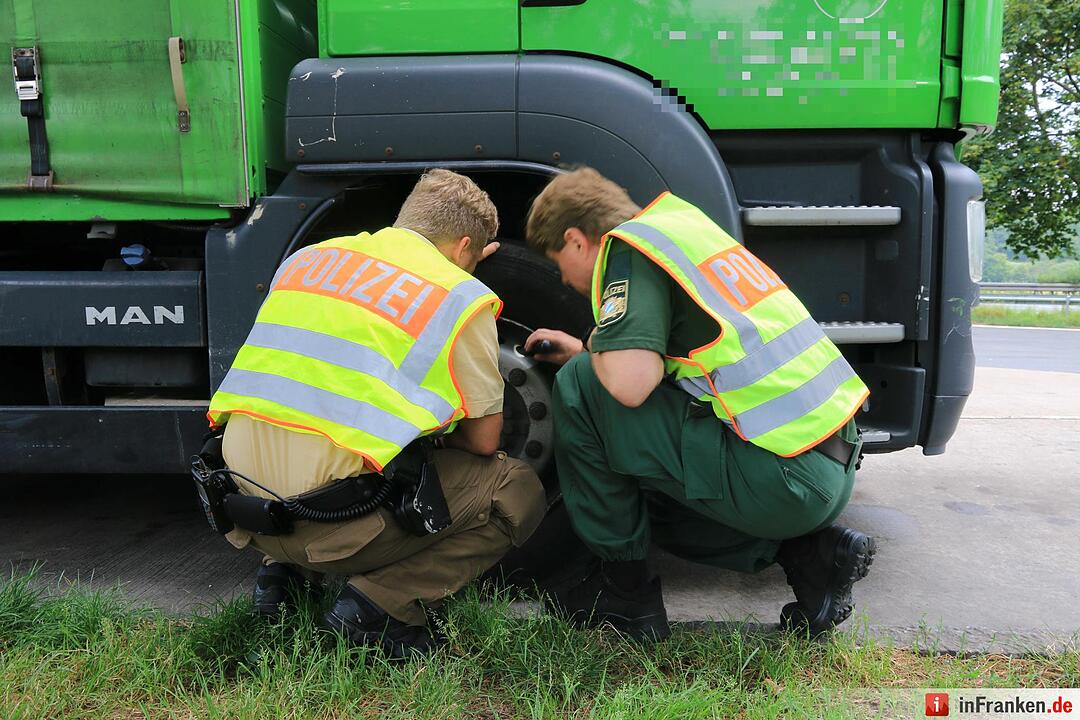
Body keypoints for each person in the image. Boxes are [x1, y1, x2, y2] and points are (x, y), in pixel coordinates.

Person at [523, 167, 876, 641]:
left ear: (577, 240)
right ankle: (812, 559)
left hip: (784, 480)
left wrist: (594, 349)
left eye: (558, 263)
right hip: (826, 466)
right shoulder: (682, 229)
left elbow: (630, 385)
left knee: (581, 387)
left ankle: (627, 597)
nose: (566, 282)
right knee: (635, 489)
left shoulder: (625, 250)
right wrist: (593, 346)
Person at [205, 169, 546, 658]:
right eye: (473, 259)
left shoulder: (309, 260)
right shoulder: (457, 293)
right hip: (326, 524)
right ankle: (378, 609)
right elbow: (483, 442)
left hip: (244, 508)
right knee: (515, 489)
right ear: (464, 246)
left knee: (322, 433)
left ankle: (281, 581)